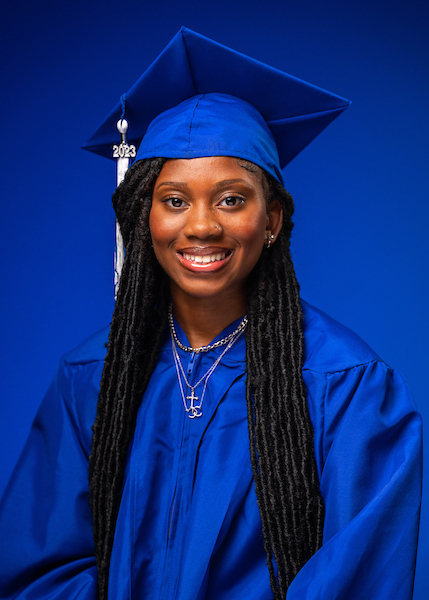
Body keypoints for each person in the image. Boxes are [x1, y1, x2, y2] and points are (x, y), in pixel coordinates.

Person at [0, 27, 422, 600]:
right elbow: (39, 571)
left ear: (271, 221)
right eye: (174, 201)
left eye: (231, 198)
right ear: (141, 219)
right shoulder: (92, 376)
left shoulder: (345, 386)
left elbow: (360, 581)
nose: (201, 225)